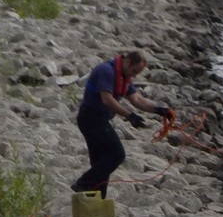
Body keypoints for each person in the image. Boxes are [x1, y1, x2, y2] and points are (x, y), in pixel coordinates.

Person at [70, 50, 173, 198]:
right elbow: (106, 98)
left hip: (99, 119)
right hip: (91, 118)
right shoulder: (106, 70)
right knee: (116, 154)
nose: (135, 75)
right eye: (135, 71)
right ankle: (82, 183)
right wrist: (129, 116)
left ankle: (97, 199)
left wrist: (160, 110)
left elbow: (137, 100)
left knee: (101, 163)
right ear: (127, 62)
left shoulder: (124, 76)